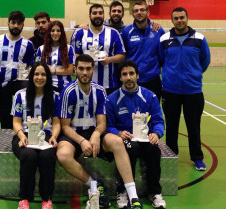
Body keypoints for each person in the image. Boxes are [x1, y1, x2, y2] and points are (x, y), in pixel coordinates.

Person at [57, 54, 142, 209]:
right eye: (81, 68)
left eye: (88, 69)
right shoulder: (67, 92)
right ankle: (94, 183)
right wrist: (82, 141)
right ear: (75, 70)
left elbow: (102, 122)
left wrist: (96, 135)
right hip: (74, 135)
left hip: (94, 132)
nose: (84, 72)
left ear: (93, 69)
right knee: (62, 155)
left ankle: (133, 196)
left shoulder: (100, 91)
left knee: (117, 141)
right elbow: (65, 127)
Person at [106, 60, 166, 209]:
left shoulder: (150, 96)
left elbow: (159, 120)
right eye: (124, 74)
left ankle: (155, 193)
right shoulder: (112, 99)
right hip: (126, 139)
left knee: (153, 149)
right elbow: (108, 125)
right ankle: (123, 191)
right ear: (120, 78)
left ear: (137, 75)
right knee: (129, 148)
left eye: (131, 73)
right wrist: (118, 133)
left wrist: (156, 134)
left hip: (146, 137)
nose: (128, 77)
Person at [159, 7, 211, 171]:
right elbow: (161, 60)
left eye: (182, 17)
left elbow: (205, 61)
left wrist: (193, 75)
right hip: (170, 91)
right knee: (171, 126)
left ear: (187, 18)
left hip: (193, 91)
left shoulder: (199, 39)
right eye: (176, 18)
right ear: (172, 20)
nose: (179, 21)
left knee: (193, 126)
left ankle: (197, 157)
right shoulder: (164, 39)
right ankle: (171, 156)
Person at [11, 62, 60, 209]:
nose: (40, 77)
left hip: (46, 135)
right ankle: (25, 198)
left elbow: (57, 124)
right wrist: (21, 136)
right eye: (36, 74)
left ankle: (46, 199)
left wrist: (54, 137)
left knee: (46, 157)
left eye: (43, 74)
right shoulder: (20, 95)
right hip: (24, 134)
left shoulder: (54, 96)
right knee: (29, 156)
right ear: (31, 76)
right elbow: (16, 122)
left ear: (48, 77)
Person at [0, 11, 35, 129]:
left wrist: (29, 72)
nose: (16, 26)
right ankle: (6, 138)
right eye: (13, 22)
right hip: (1, 83)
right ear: (8, 23)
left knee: (22, 111)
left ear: (23, 25)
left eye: (19, 23)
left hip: (20, 83)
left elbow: (31, 63)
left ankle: (21, 136)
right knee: (4, 114)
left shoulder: (28, 44)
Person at [70, 4, 125, 95]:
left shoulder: (113, 33)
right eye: (94, 13)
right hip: (85, 83)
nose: (98, 15)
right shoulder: (80, 33)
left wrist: (109, 59)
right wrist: (85, 62)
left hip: (109, 84)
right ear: (89, 15)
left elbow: (122, 56)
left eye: (100, 13)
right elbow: (74, 55)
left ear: (104, 15)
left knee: (107, 109)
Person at [121, 1, 165, 101]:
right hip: (132, 81)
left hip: (153, 81)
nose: (139, 13)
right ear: (133, 14)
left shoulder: (158, 30)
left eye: (142, 10)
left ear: (148, 12)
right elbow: (123, 55)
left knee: (152, 114)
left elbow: (162, 55)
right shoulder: (126, 32)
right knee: (133, 114)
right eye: (136, 11)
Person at [36, 20, 75, 93]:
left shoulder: (69, 48)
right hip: (46, 86)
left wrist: (53, 71)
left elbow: (70, 71)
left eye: (58, 31)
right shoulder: (41, 49)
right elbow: (37, 69)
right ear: (49, 33)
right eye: (53, 31)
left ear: (62, 33)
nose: (55, 33)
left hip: (65, 87)